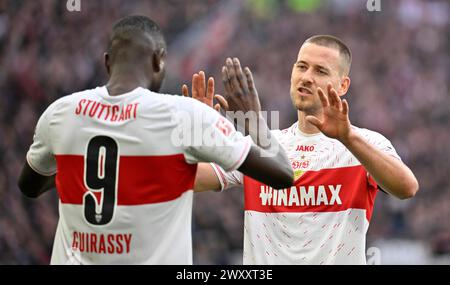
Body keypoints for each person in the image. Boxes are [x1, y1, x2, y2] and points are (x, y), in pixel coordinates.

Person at [17, 15, 293, 265]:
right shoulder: (182, 115)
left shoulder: (60, 112)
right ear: (160, 60)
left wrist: (85, 160)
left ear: (107, 61)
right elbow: (282, 174)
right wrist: (254, 122)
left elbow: (30, 186)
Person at [184, 36, 419, 264]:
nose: (306, 77)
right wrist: (199, 142)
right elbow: (186, 180)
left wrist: (348, 138)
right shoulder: (261, 146)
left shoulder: (363, 143)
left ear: (343, 85)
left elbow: (406, 188)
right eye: (302, 67)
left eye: (320, 71)